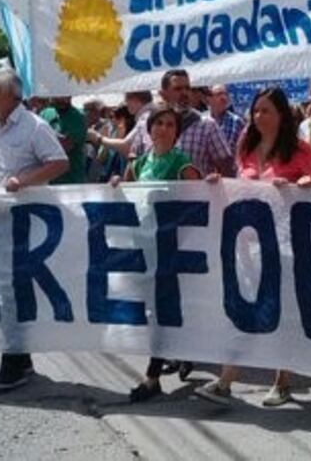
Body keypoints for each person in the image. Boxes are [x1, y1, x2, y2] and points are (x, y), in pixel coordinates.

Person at [195, 87, 311, 407]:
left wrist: (300, 186)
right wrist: (218, 185)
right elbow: (240, 186)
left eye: (266, 110)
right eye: (255, 110)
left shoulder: (301, 150)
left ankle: (282, 381)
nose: (258, 116)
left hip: (286, 243)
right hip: (248, 243)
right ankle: (225, 381)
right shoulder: (246, 146)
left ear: (281, 115)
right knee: (242, 310)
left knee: (283, 312)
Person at [0, 67, 69, 391]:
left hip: (17, 224)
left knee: (9, 291)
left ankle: (12, 359)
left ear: (11, 93)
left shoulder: (34, 127)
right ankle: (21, 356)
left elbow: (58, 161)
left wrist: (23, 181)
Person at [109, 104, 202, 402]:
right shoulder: (140, 164)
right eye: (159, 123)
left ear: (177, 132)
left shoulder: (182, 163)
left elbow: (201, 202)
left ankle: (152, 378)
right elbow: (126, 193)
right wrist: (115, 185)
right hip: (143, 247)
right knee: (154, 311)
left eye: (170, 125)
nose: (164, 129)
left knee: (160, 311)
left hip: (170, 248)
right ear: (149, 130)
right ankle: (182, 351)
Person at [130, 70, 234, 177]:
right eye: (177, 89)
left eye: (187, 88)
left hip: (194, 193)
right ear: (163, 94)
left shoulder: (207, 125)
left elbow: (226, 166)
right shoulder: (146, 123)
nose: (184, 93)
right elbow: (134, 159)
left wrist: (215, 184)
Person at [40, 97, 88, 184]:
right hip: (47, 181)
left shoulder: (78, 117)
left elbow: (63, 148)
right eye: (59, 96)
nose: (63, 99)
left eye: (66, 96)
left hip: (71, 181)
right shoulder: (45, 113)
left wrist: (44, 140)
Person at [206, 84, 245, 156]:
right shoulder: (202, 121)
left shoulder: (236, 122)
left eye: (226, 94)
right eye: (219, 94)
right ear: (209, 99)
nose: (223, 97)